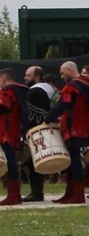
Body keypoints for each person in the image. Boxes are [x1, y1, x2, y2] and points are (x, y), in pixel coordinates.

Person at [47, 61, 89, 205]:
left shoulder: (72, 86)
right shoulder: (88, 84)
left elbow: (63, 104)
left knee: (74, 161)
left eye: (63, 73)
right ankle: (70, 193)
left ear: (70, 70)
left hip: (73, 127)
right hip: (83, 126)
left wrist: (48, 117)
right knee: (73, 160)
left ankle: (77, 195)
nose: (62, 76)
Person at [22, 66, 54, 202]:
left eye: (28, 75)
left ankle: (37, 193)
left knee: (32, 162)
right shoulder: (46, 91)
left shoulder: (35, 91)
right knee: (35, 162)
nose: (25, 78)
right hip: (43, 130)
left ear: (36, 77)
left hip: (34, 130)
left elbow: (29, 113)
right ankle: (37, 192)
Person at [0, 68, 28, 206]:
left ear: (4, 79)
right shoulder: (20, 92)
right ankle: (14, 194)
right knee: (12, 162)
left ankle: (13, 195)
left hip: (7, 130)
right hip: (14, 129)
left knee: (11, 162)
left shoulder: (8, 92)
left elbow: (3, 107)